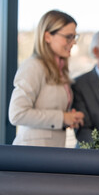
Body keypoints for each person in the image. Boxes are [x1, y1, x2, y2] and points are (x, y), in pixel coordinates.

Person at [9, 10, 85, 147]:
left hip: (51, 151)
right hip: (33, 152)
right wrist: (62, 117)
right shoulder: (33, 66)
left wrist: (68, 118)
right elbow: (17, 113)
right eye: (68, 37)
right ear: (47, 36)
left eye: (74, 37)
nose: (73, 42)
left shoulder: (60, 69)